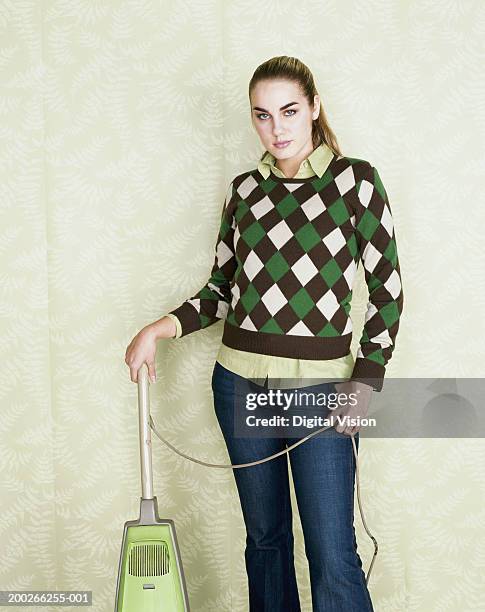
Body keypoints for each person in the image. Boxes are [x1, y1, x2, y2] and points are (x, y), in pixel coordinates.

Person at [125, 55, 404, 611]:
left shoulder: (356, 182)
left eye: (289, 111)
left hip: (323, 392)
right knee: (266, 543)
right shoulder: (245, 191)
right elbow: (222, 289)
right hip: (239, 386)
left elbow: (388, 292)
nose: (277, 128)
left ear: (314, 108)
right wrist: (161, 327)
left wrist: (365, 382)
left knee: (332, 550)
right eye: (262, 115)